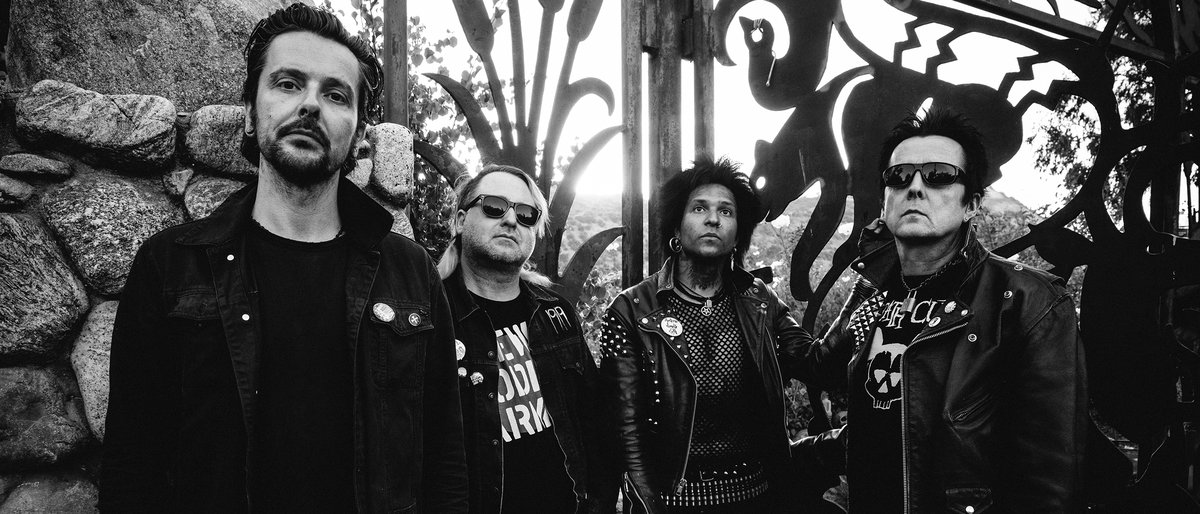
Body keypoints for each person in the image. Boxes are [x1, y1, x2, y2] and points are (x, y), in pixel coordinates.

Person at [99, 4, 467, 512]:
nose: (310, 105)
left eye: (335, 94)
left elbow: (444, 460)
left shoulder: (410, 272)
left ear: (360, 135)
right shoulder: (170, 266)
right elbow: (131, 466)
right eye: (288, 83)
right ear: (251, 112)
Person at [806, 108, 1088, 512]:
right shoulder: (875, 295)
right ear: (884, 201)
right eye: (898, 176)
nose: (914, 188)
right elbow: (879, 428)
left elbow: (1047, 482)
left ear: (972, 203)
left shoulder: (1029, 301)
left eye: (938, 175)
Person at [597, 156, 842, 513]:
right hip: (674, 504)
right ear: (676, 226)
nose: (713, 219)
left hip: (759, 499)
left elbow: (818, 365)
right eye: (699, 208)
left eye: (726, 211)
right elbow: (626, 432)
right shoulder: (632, 310)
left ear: (738, 234)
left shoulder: (759, 301)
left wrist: (865, 284)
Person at [437, 164, 619, 514]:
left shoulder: (556, 314)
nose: (510, 220)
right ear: (460, 221)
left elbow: (595, 424)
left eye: (525, 214)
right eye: (493, 206)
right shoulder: (434, 318)